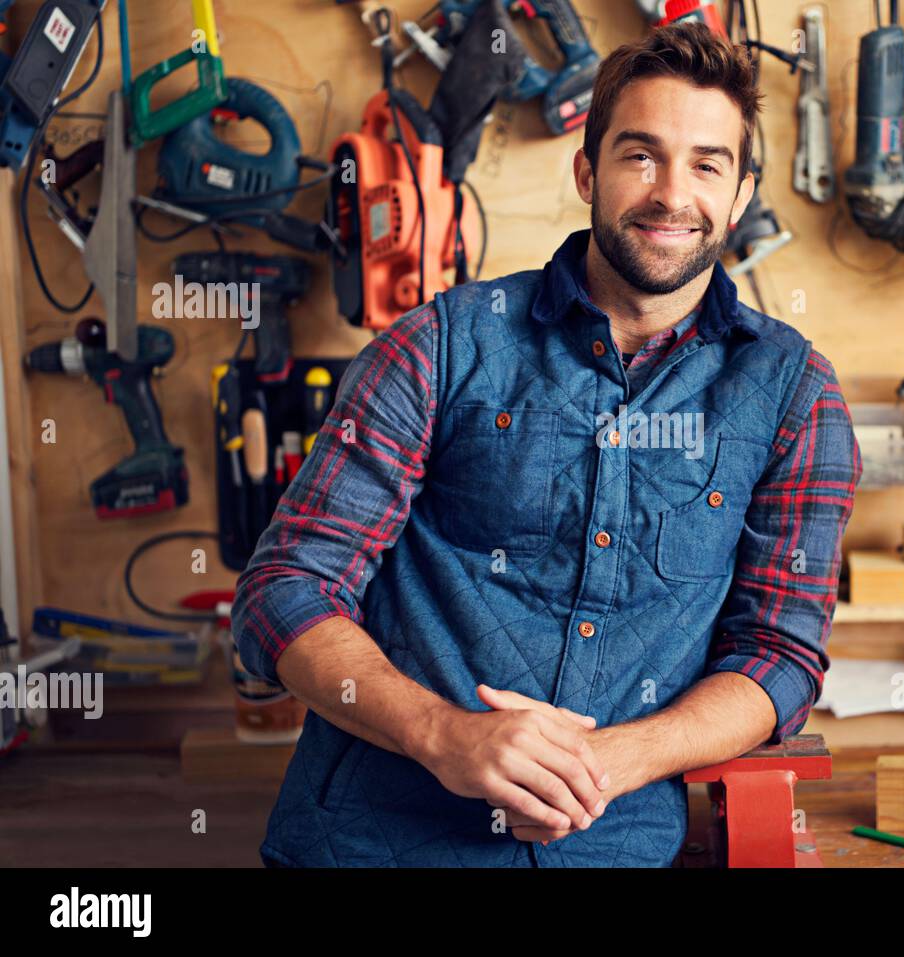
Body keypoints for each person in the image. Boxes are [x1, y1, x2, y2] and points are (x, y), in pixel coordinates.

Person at [231, 20, 862, 867]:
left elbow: (780, 654)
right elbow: (283, 589)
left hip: (609, 844)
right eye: (640, 155)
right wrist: (442, 734)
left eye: (707, 164)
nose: (672, 194)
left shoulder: (793, 395)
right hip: (368, 841)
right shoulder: (440, 346)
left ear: (742, 193)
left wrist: (613, 760)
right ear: (586, 171)